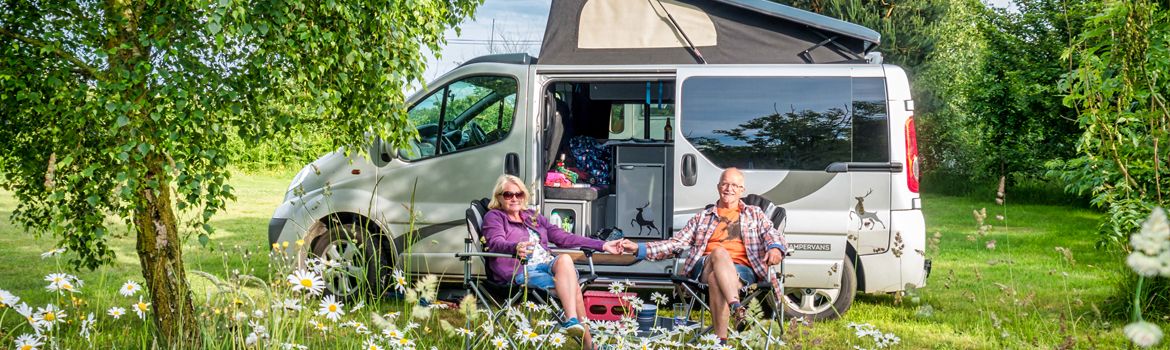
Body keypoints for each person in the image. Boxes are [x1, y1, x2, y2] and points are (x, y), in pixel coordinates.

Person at [620, 167, 786, 343]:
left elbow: (772, 234)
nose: (729, 189)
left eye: (734, 185)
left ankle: (721, 342)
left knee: (716, 279)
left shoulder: (754, 214)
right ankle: (737, 307)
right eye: (725, 184)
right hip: (704, 267)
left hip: (741, 272)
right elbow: (675, 243)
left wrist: (775, 248)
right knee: (719, 252)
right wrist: (640, 249)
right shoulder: (702, 217)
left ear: (742, 190)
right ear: (718, 187)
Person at [481, 174, 625, 348]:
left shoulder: (531, 217)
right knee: (573, 287)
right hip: (521, 270)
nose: (514, 198)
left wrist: (602, 245)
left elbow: (563, 237)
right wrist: (515, 247)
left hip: (546, 265)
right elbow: (496, 242)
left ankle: (572, 321)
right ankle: (588, 344)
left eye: (518, 194)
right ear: (498, 197)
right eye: (508, 195)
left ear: (524, 196)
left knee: (564, 259)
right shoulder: (495, 217)